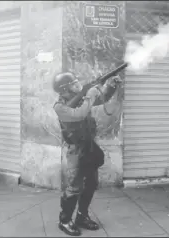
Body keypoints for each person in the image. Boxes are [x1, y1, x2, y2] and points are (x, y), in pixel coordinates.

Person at [52, 72, 121, 236]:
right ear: (64, 89)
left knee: (91, 183)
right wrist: (89, 94)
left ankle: (82, 217)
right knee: (74, 186)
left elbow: (99, 100)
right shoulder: (60, 107)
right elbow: (79, 114)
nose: (78, 84)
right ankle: (65, 220)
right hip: (75, 150)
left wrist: (110, 86)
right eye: (74, 83)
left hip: (89, 146)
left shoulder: (81, 98)